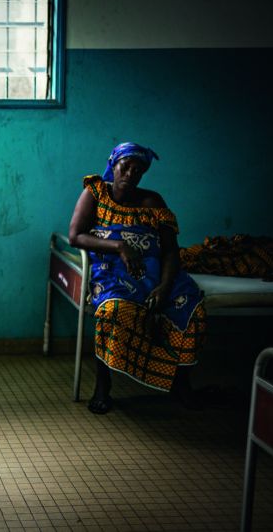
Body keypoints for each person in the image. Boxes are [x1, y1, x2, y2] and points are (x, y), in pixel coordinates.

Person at [68, 142, 207, 415]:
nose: (131, 173)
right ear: (113, 164)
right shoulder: (95, 192)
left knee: (190, 310)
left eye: (138, 170)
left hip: (156, 273)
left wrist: (165, 286)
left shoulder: (152, 201)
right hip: (113, 270)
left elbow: (170, 250)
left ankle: (181, 383)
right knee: (113, 311)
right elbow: (75, 236)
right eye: (126, 166)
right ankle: (103, 385)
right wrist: (120, 246)